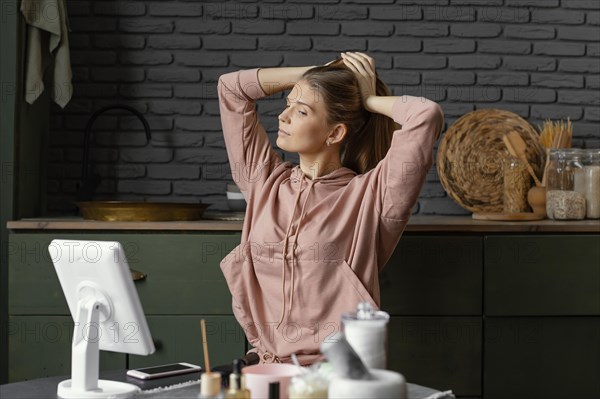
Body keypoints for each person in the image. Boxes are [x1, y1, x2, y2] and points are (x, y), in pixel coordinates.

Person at [217, 52, 444, 366]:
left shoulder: (371, 198)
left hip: (336, 372)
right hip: (264, 367)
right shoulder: (265, 182)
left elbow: (426, 115)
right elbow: (231, 88)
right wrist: (313, 73)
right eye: (287, 105)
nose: (283, 117)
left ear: (335, 133)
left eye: (301, 111)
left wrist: (369, 100)